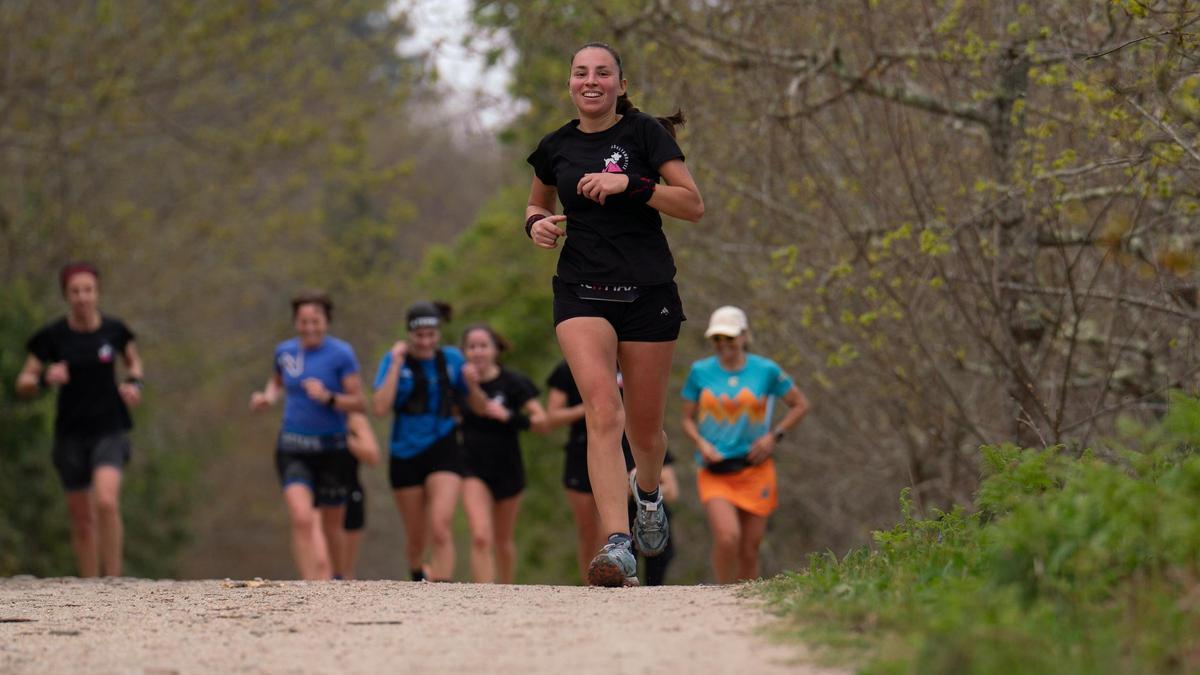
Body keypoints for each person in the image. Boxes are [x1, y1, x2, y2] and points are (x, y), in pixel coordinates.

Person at [525, 42, 704, 587]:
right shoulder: (555, 146)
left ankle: (646, 495)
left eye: (603, 72)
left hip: (649, 293)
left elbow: (692, 204)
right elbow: (538, 204)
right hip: (581, 290)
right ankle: (619, 543)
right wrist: (535, 225)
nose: (591, 80)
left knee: (646, 433)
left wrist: (632, 183)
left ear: (620, 85)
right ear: (571, 84)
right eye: (581, 73)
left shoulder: (646, 133)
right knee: (604, 411)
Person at [16, 262, 144, 577]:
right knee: (82, 519)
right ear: (66, 296)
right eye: (75, 291)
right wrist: (45, 377)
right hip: (70, 433)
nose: (82, 297)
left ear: (97, 293)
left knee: (106, 501)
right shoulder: (53, 336)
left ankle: (113, 579)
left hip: (109, 428)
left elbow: (134, 365)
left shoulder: (115, 331)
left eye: (88, 290)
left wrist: (133, 385)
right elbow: (23, 381)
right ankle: (89, 585)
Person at [681, 306, 810, 583]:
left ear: (744, 336)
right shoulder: (699, 371)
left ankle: (745, 601)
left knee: (750, 549)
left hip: (755, 468)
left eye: (729, 338)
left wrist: (773, 436)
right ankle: (721, 593)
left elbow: (800, 405)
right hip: (715, 469)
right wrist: (701, 443)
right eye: (717, 339)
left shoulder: (765, 370)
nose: (723, 345)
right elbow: (687, 420)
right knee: (728, 537)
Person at [250, 291, 365, 580]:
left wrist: (328, 398)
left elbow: (360, 401)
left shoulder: (342, 354)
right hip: (293, 445)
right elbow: (277, 382)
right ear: (295, 323)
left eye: (316, 321)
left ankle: (339, 577)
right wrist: (267, 397)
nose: (310, 327)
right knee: (301, 518)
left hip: (333, 449)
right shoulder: (285, 352)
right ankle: (309, 586)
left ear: (327, 321)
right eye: (303, 321)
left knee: (331, 527)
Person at [372, 301, 488, 582]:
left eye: (430, 335)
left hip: (444, 446)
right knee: (416, 537)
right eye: (419, 336)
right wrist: (397, 363)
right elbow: (379, 408)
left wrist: (472, 383)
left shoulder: (452, 360)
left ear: (438, 334)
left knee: (440, 524)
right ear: (409, 334)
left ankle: (442, 585)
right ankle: (417, 575)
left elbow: (481, 408)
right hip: (405, 452)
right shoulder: (394, 361)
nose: (425, 342)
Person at [545, 361, 678, 585]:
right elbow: (552, 416)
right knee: (588, 529)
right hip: (581, 448)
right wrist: (595, 406)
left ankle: (615, 569)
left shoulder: (634, 360)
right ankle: (593, 579)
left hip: (627, 447)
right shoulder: (569, 367)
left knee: (607, 524)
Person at [458, 324, 547, 583]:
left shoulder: (514, 382)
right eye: (472, 347)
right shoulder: (460, 384)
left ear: (495, 350)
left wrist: (510, 416)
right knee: (480, 536)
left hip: (509, 468)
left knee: (503, 540)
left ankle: (505, 593)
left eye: (483, 346)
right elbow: (476, 408)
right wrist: (471, 386)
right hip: (473, 466)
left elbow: (542, 421)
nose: (478, 352)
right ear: (465, 352)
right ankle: (484, 595)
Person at [337, 412, 381, 580]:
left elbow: (373, 456)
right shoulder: (307, 415)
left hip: (350, 490)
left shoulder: (353, 419)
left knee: (344, 568)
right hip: (318, 494)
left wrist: (340, 437)